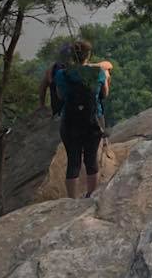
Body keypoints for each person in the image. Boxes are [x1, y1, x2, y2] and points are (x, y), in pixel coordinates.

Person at [54, 40, 108, 199]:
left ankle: (71, 200)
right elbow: (104, 94)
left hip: (70, 121)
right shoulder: (98, 72)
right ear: (88, 55)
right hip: (93, 120)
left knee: (73, 161)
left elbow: (60, 96)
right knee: (91, 160)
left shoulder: (62, 74)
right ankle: (91, 195)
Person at [40, 43, 114, 116]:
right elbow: (108, 65)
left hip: (65, 112)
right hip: (89, 112)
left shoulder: (55, 71)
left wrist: (42, 105)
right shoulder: (92, 71)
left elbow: (43, 88)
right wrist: (88, 66)